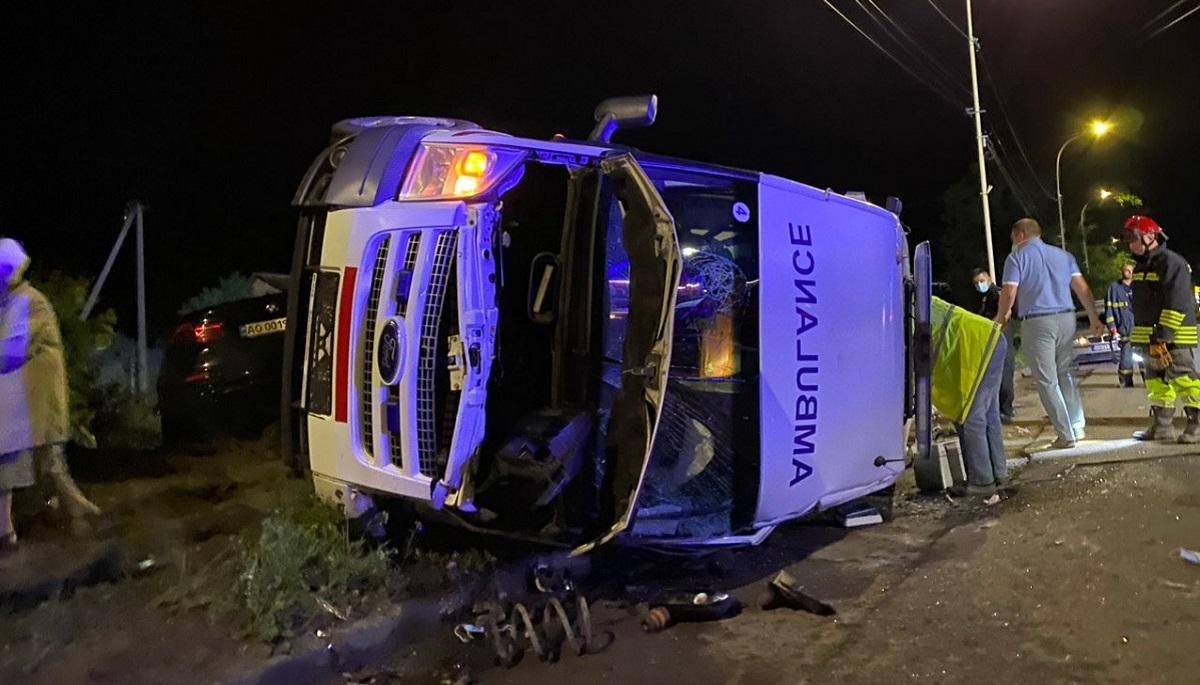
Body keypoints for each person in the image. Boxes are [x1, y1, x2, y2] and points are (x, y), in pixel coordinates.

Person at [0, 238, 101, 552]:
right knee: (23, 462)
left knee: (49, 464)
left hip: (36, 400)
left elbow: (11, 351)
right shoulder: (15, 302)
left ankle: (87, 517)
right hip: (22, 403)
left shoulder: (27, 302)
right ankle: (12, 529)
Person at [993, 218, 1103, 449]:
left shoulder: (1016, 257)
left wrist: (1001, 318)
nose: (1013, 242)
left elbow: (1009, 292)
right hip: (1067, 318)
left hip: (1038, 322)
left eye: (1013, 238)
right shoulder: (1063, 256)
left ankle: (1066, 435)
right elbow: (1082, 288)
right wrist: (1093, 316)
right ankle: (1076, 426)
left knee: (1047, 380)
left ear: (1020, 235)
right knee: (1065, 374)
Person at [1122, 216, 1200, 442]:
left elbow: (1177, 302)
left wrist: (1164, 335)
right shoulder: (1141, 267)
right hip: (1150, 338)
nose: (1130, 243)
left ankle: (1196, 425)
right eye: (1127, 238)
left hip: (1172, 338)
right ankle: (1162, 426)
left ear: (1150, 236)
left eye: (1133, 237)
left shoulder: (1171, 262)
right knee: (1156, 383)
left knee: (1184, 380)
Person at [931, 296, 1009, 503]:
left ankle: (983, 484)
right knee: (989, 415)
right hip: (991, 339)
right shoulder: (919, 302)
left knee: (971, 417)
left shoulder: (907, 315)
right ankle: (999, 477)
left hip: (978, 349)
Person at [972, 267, 1016, 422]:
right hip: (991, 337)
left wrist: (993, 326)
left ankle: (1007, 410)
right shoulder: (984, 297)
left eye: (982, 281)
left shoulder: (996, 293)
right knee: (993, 375)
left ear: (989, 279)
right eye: (976, 283)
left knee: (1004, 374)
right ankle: (999, 410)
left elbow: (1006, 313)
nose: (979, 285)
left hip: (1001, 334)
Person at [1104, 262, 1137, 388]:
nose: (1127, 272)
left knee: (1145, 356)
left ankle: (1149, 379)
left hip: (1140, 328)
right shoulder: (1114, 288)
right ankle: (1125, 381)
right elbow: (1109, 309)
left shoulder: (1138, 286)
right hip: (1124, 328)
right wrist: (1112, 327)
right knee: (1126, 356)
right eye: (1125, 270)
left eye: (1129, 270)